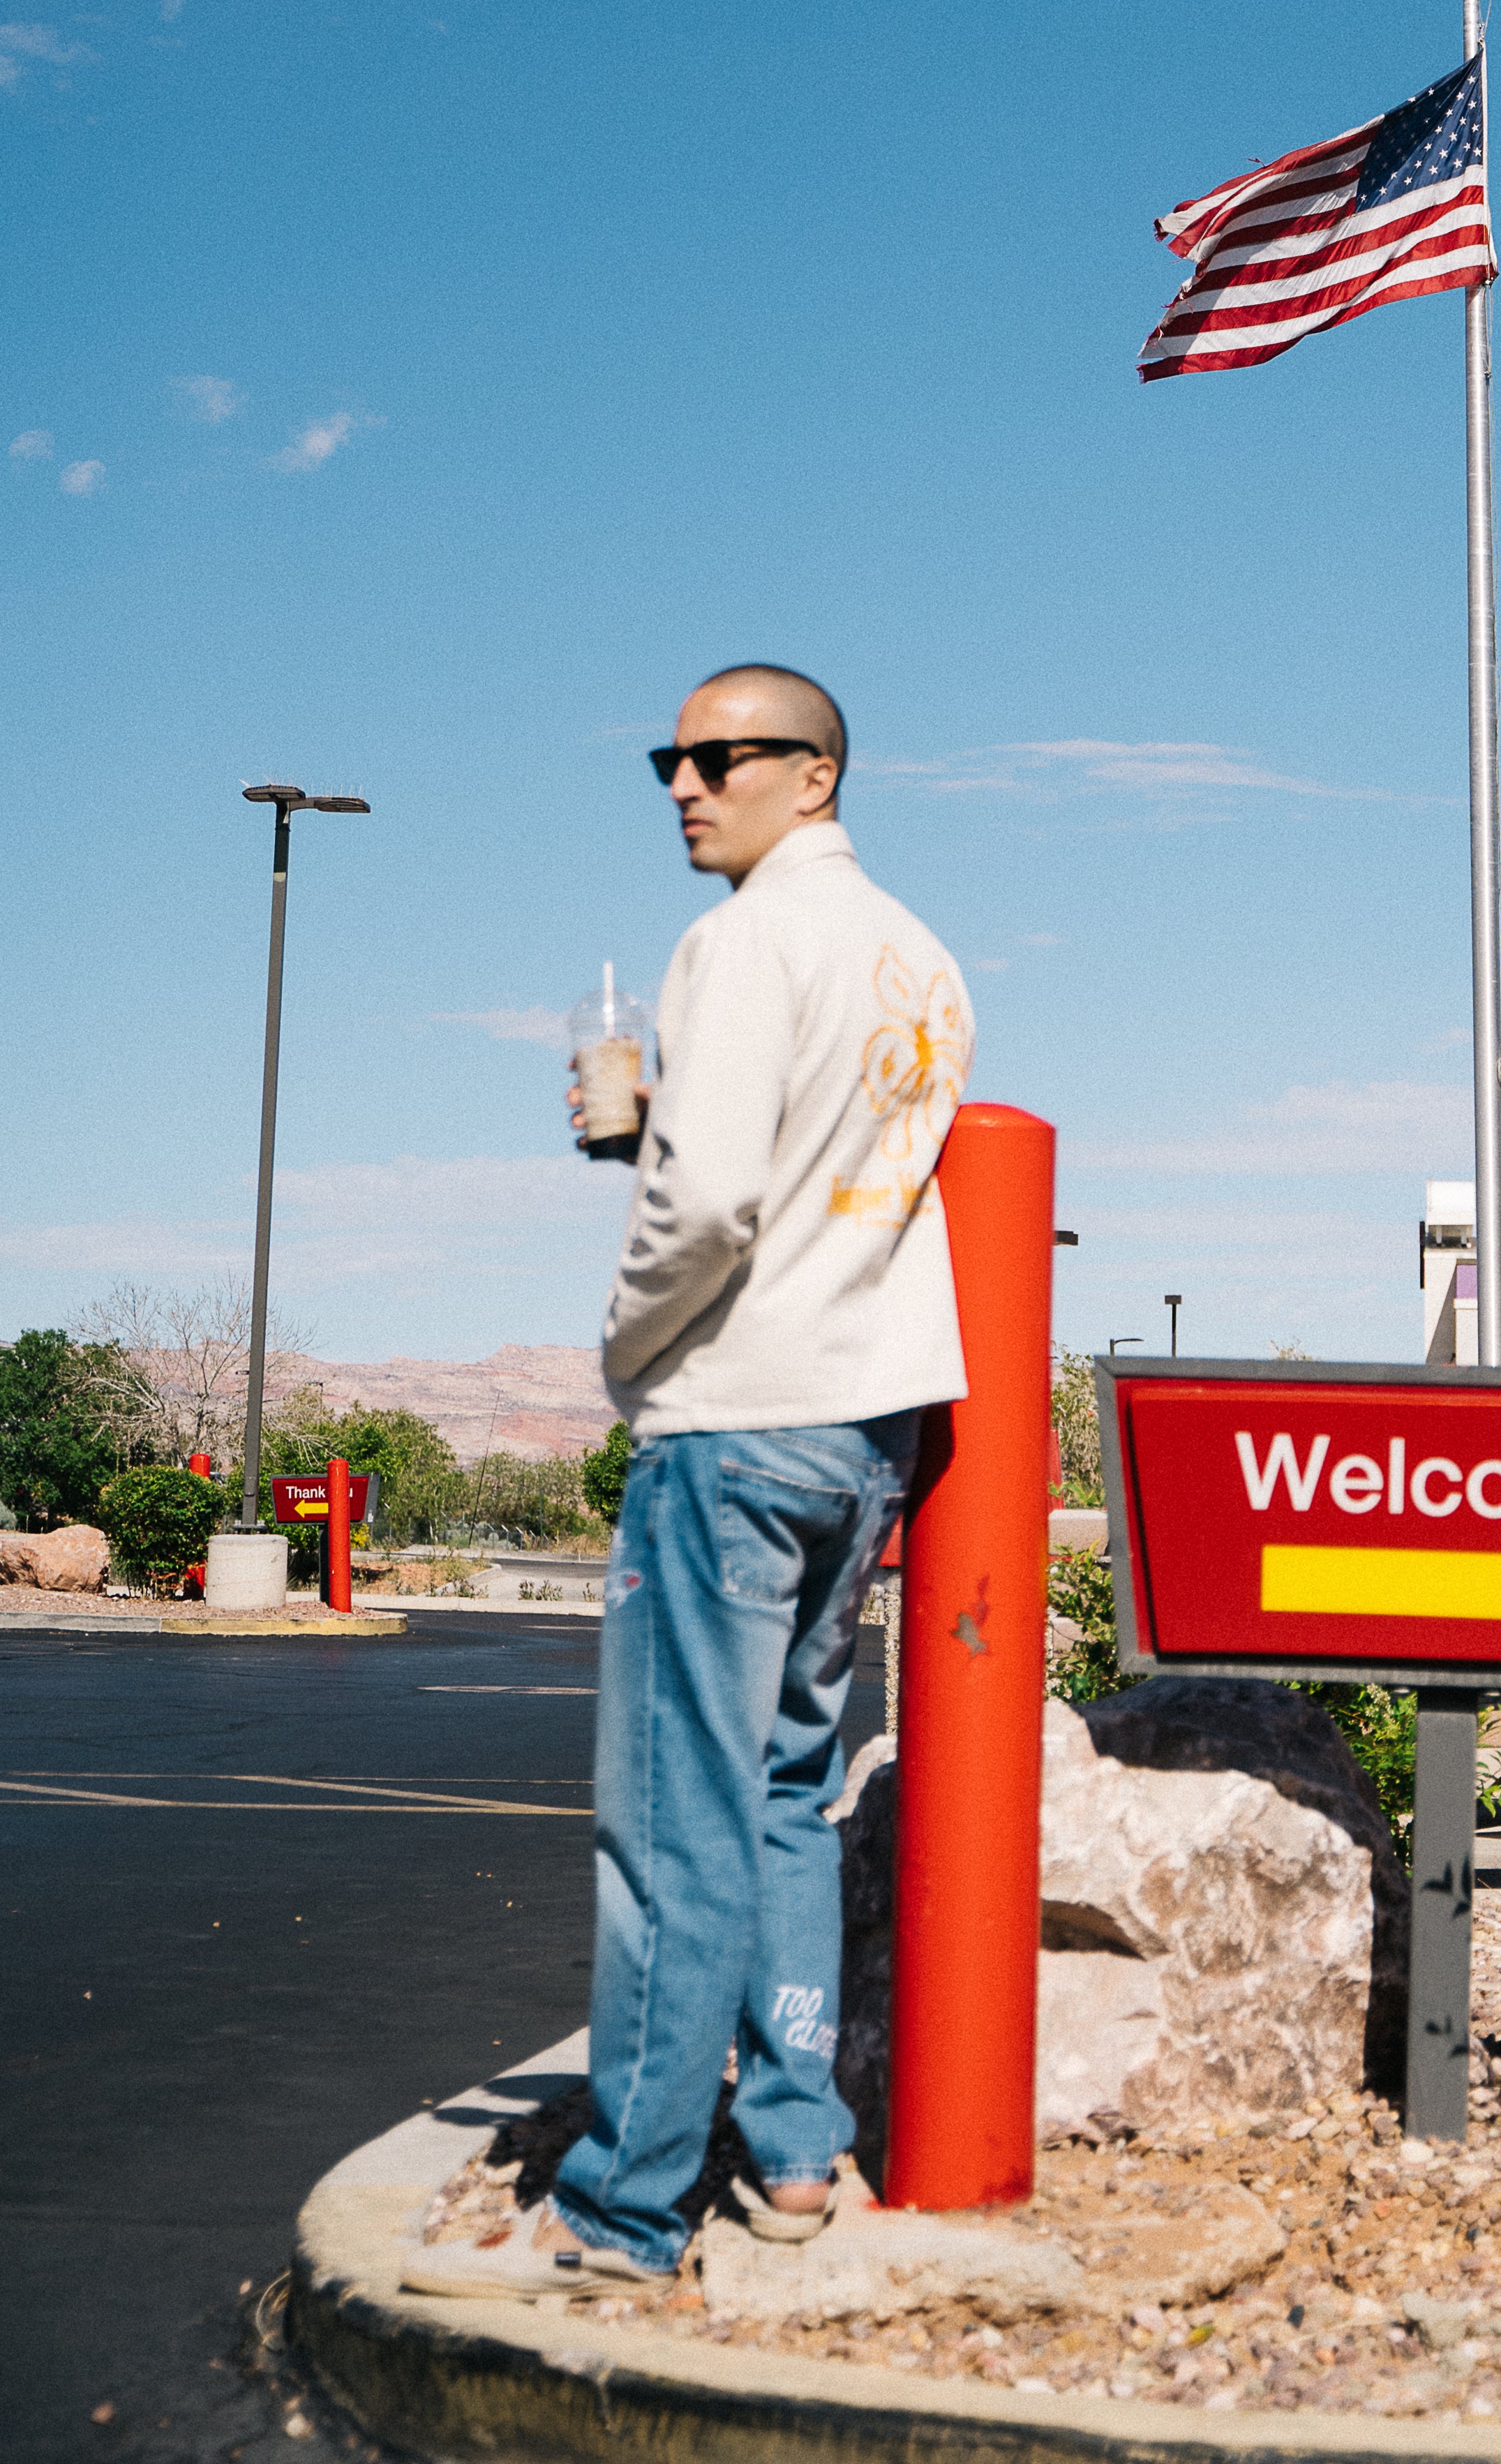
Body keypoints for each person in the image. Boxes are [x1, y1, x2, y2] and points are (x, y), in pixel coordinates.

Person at [408, 664, 972, 2297]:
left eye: (724, 757)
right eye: (672, 757)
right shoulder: (920, 956)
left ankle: (623, 2213)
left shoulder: (736, 944)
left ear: (818, 775)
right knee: (792, 1790)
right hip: (867, 1426)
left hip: (731, 1417)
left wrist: (623, 1347)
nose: (684, 783)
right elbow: (819, 1165)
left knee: (672, 1824)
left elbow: (717, 1209)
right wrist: (643, 1127)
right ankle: (795, 2153)